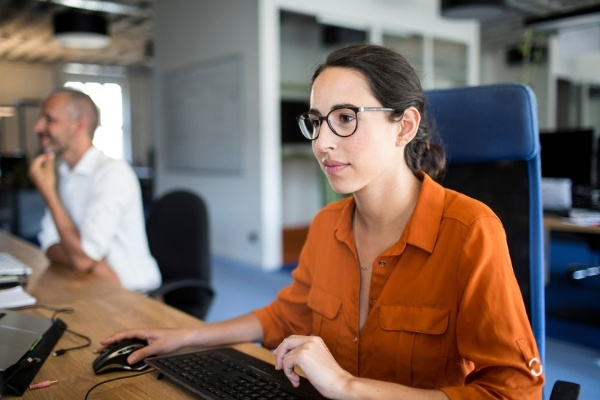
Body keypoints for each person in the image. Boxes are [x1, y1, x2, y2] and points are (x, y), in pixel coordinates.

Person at [100, 43, 544, 398]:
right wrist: (183, 338)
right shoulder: (326, 224)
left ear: (404, 126)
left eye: (346, 118)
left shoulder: (471, 232)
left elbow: (514, 393)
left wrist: (348, 388)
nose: (323, 143)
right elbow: (284, 317)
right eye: (316, 122)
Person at [28, 87, 161, 293]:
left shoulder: (112, 173)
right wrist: (93, 262)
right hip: (95, 285)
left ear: (79, 125)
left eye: (49, 119)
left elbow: (82, 260)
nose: (38, 127)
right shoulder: (64, 173)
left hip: (134, 296)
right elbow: (49, 244)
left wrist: (48, 192)